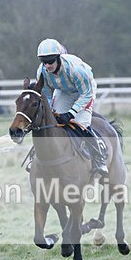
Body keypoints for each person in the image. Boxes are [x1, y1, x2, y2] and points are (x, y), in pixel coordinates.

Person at [35, 37, 108, 179]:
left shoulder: (76, 70)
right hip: (64, 90)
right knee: (55, 123)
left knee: (81, 125)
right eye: (44, 62)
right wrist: (50, 111)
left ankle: (99, 158)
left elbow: (86, 94)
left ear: (58, 58)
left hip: (85, 90)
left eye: (50, 61)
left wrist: (71, 113)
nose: (47, 65)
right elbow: (47, 94)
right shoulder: (42, 72)